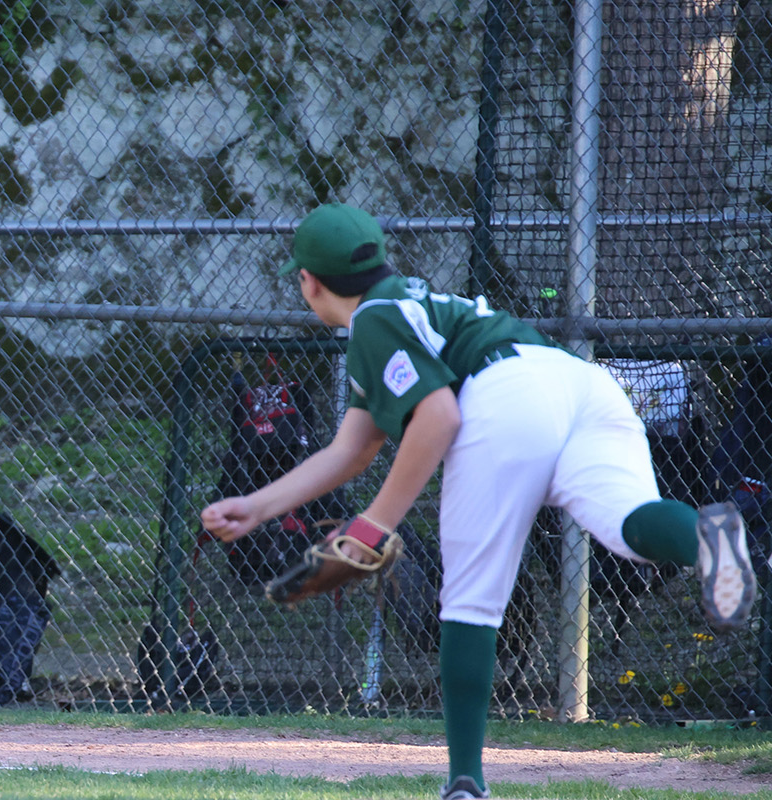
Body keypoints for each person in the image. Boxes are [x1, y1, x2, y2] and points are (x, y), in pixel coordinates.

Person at [199, 204, 754, 800]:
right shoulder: (403, 306)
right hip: (582, 385)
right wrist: (256, 506)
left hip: (505, 398)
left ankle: (466, 782)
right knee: (627, 525)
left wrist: (373, 525)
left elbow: (438, 417)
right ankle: (707, 536)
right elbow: (352, 450)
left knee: (469, 600)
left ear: (308, 281)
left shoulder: (375, 319)